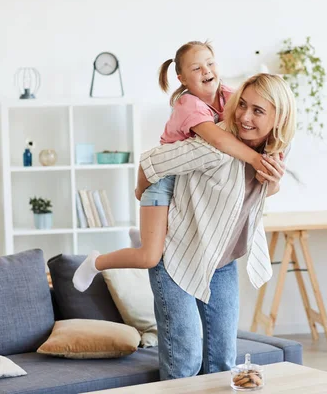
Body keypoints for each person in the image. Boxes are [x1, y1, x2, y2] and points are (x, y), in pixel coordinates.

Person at [73, 41, 269, 292]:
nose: (206, 71)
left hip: (192, 182)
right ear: (182, 79)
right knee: (150, 257)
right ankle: (96, 263)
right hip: (165, 180)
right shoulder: (188, 104)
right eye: (196, 68)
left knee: (175, 238)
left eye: (210, 63)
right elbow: (218, 139)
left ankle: (144, 236)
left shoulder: (230, 97)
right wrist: (255, 159)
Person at [138, 73, 295, 379]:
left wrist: (273, 183)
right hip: (177, 257)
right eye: (242, 105)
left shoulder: (276, 149)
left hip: (221, 260)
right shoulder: (215, 144)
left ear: (280, 118)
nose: (244, 117)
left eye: (258, 111)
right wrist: (140, 192)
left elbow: (253, 194)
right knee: (185, 360)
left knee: (222, 360)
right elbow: (150, 163)